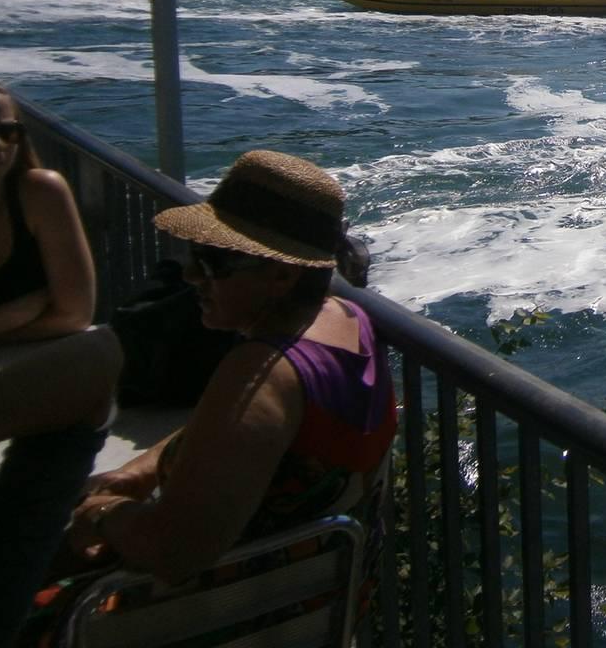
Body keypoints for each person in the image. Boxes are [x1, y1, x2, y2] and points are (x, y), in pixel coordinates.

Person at [28, 149, 396, 631]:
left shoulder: (263, 373)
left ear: (282, 275)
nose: (190, 276)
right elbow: (251, 435)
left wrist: (102, 513)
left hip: (217, 621)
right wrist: (141, 469)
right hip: (316, 610)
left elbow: (174, 553)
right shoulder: (349, 322)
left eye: (213, 262)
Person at [0, 74, 121, 647]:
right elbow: (55, 309)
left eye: (8, 132)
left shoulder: (40, 192)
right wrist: (18, 311)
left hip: (37, 370)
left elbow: (75, 313)